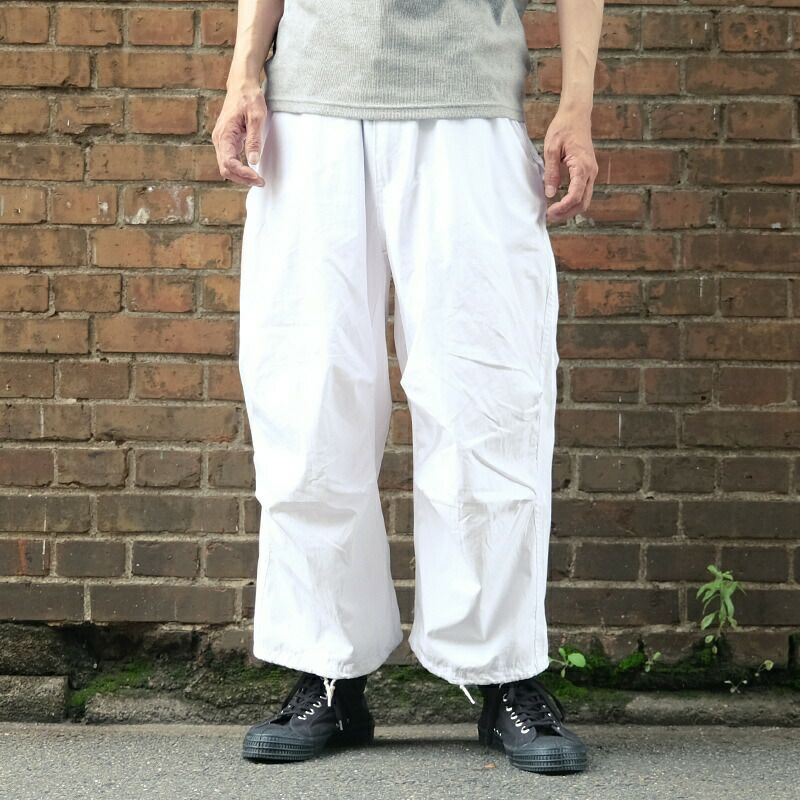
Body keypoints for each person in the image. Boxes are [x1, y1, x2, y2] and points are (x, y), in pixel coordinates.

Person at [212, 0, 602, 776]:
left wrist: (576, 105)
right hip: (311, 107)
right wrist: (242, 75)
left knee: (486, 396)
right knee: (308, 396)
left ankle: (503, 671)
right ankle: (327, 669)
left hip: (468, 102)